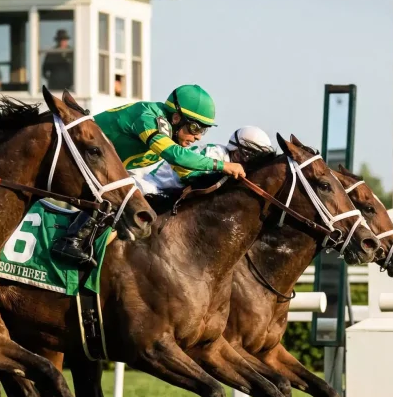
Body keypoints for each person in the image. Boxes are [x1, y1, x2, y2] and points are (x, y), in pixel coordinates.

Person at [51, 84, 246, 265]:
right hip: (76, 159)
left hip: (100, 169)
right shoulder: (148, 117)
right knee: (124, 192)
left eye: (203, 131)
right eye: (195, 128)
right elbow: (175, 156)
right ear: (176, 118)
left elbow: (186, 173)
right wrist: (222, 165)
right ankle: (70, 240)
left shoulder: (171, 134)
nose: (197, 137)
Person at [130, 126, 274, 196]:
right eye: (252, 156)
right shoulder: (215, 153)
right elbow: (196, 181)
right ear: (236, 150)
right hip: (152, 188)